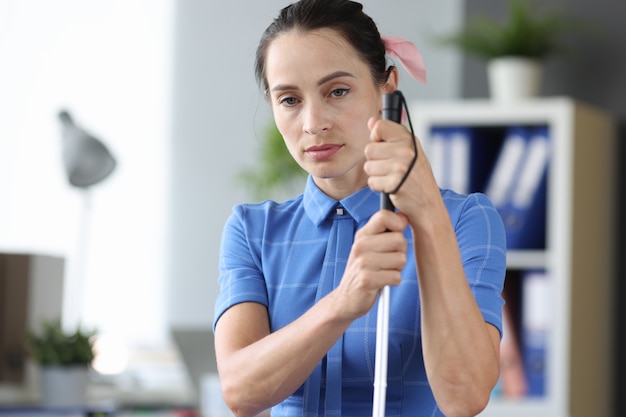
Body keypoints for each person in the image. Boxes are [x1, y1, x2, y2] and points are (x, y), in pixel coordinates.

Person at [213, 1, 506, 416]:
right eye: (290, 100)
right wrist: (344, 301)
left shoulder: (465, 221)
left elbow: (466, 397)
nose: (313, 122)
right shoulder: (252, 230)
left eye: (337, 91)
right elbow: (240, 392)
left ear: (388, 88)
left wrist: (427, 219)